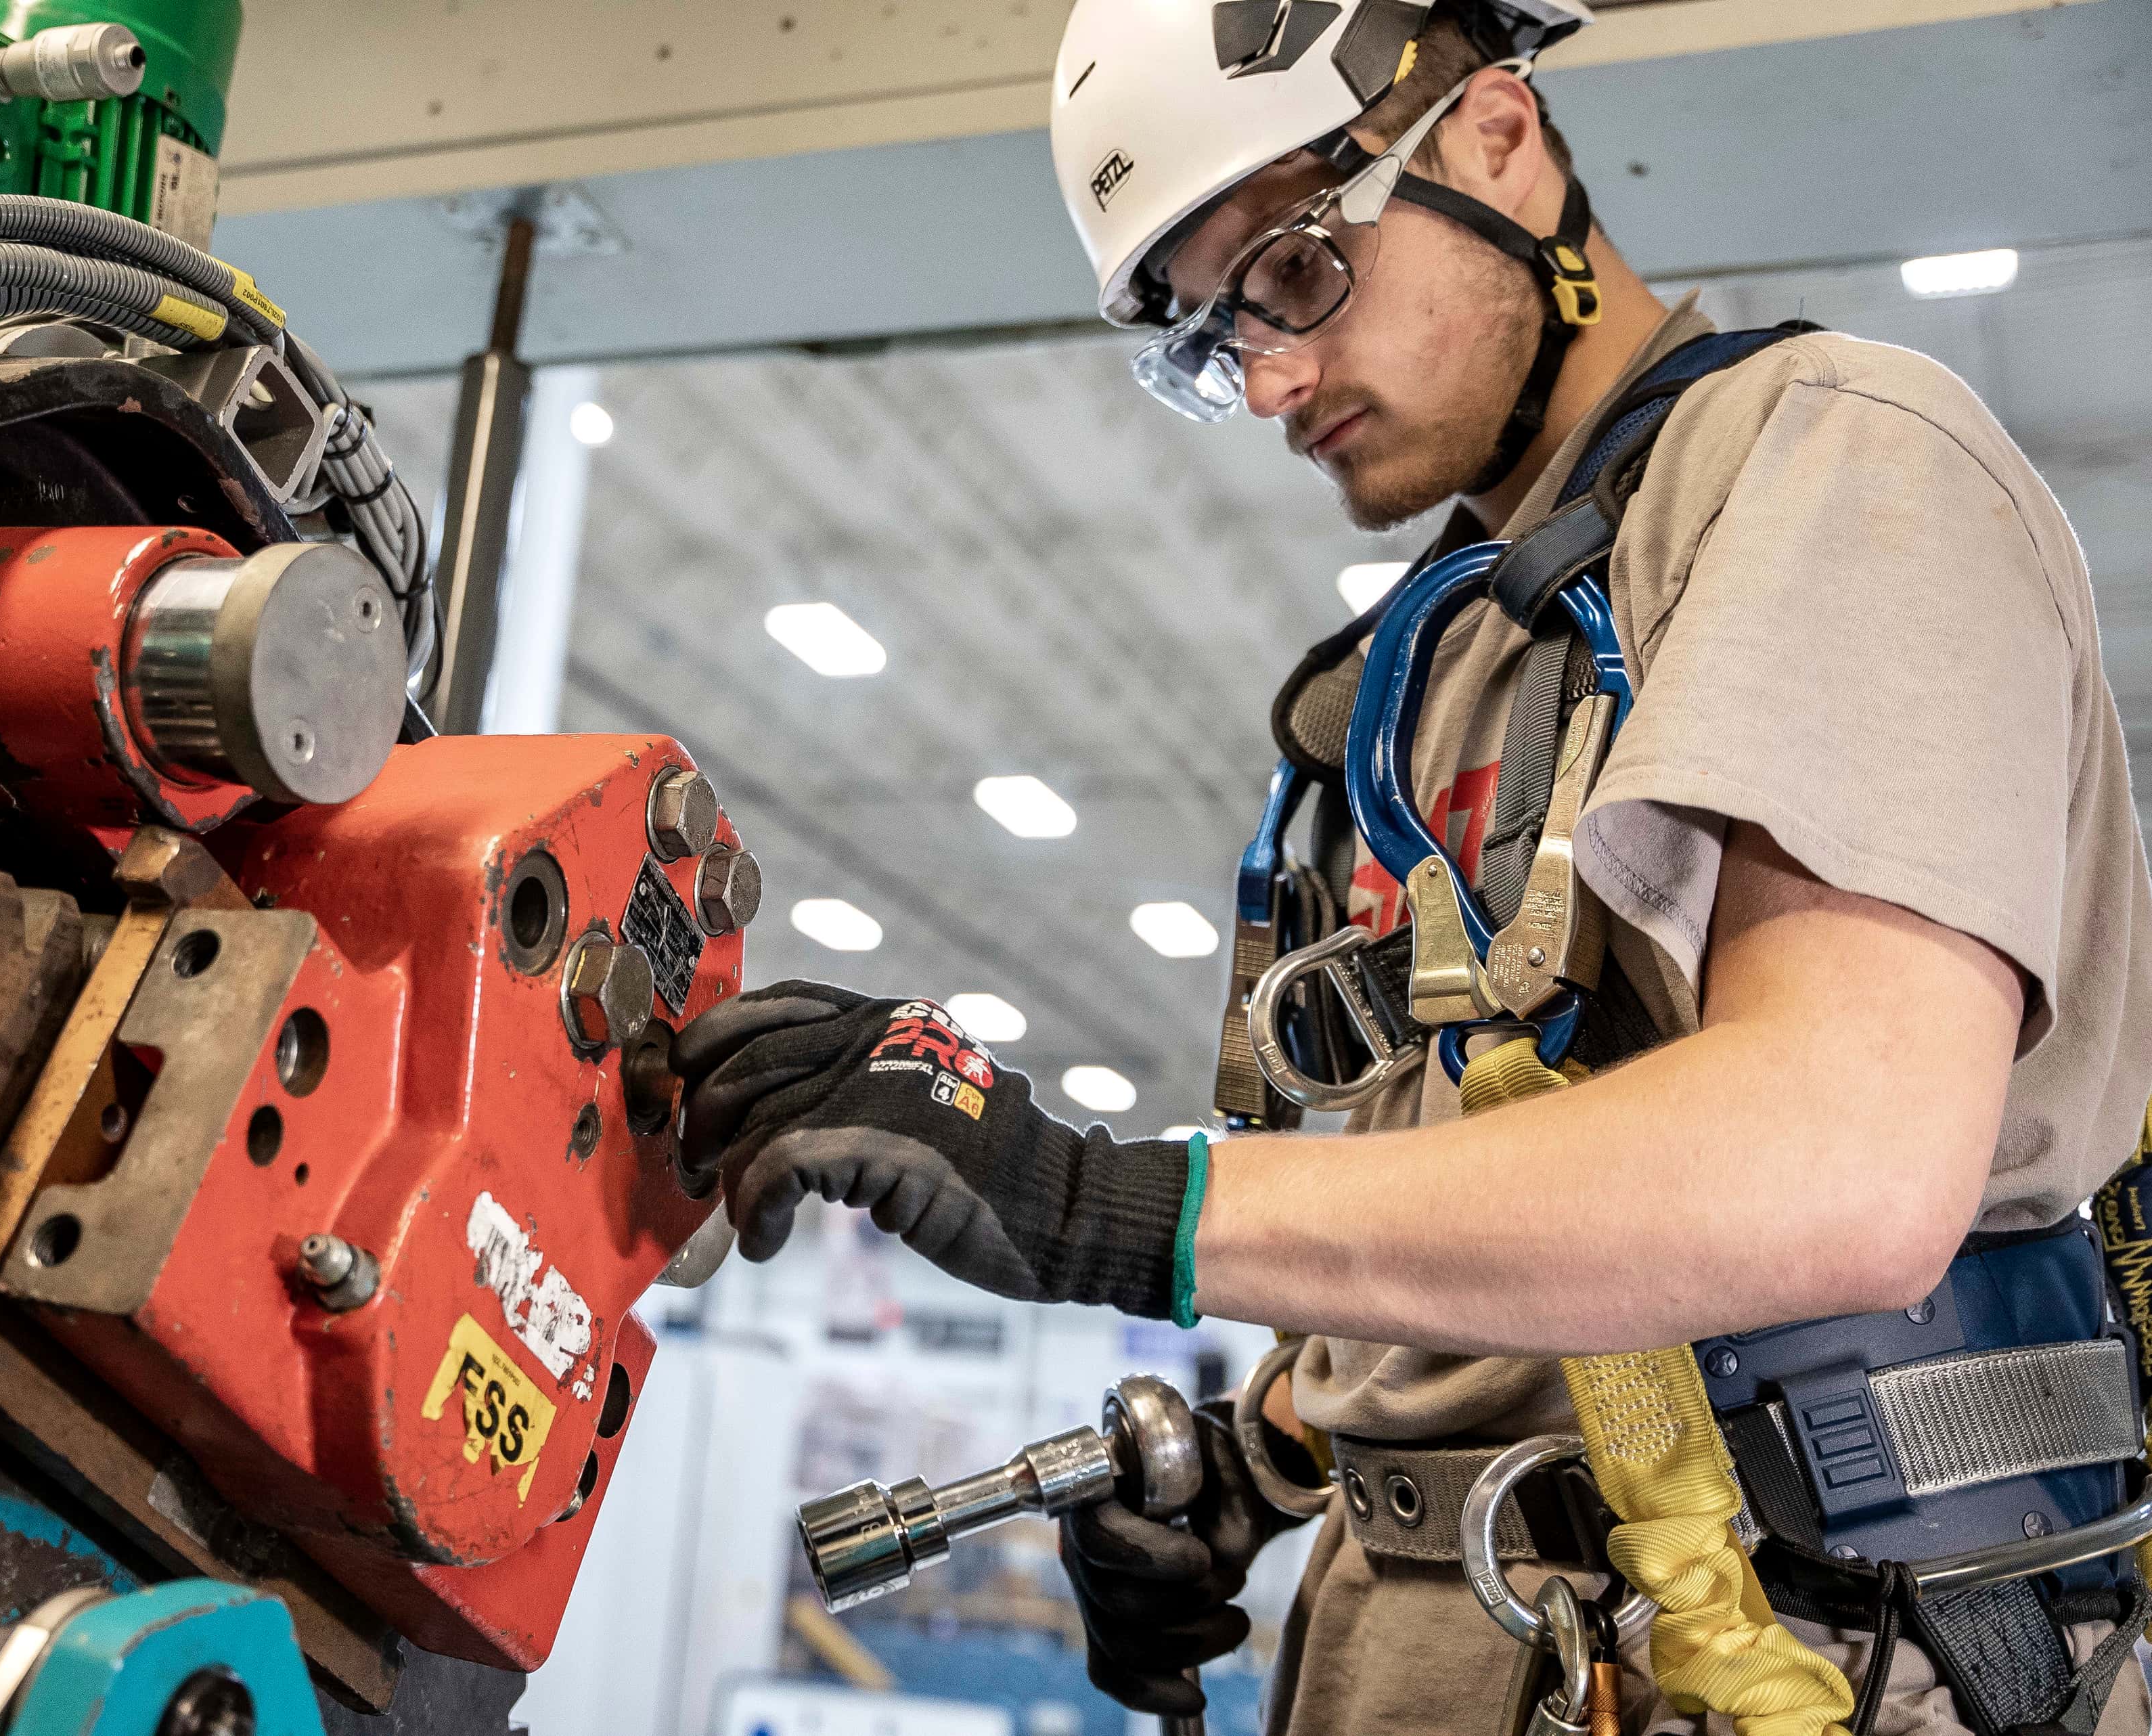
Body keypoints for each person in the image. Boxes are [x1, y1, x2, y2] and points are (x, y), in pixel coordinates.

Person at [669, 1, 2152, 1731]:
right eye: (1216, 340)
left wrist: (1108, 1205)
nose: (1274, 380)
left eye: (1295, 274)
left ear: (1497, 138)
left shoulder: (1835, 458)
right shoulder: (1456, 641)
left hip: (1802, 1652)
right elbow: (1530, 1168)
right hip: (1460, 1633)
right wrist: (1269, 1454)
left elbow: (1843, 1167)